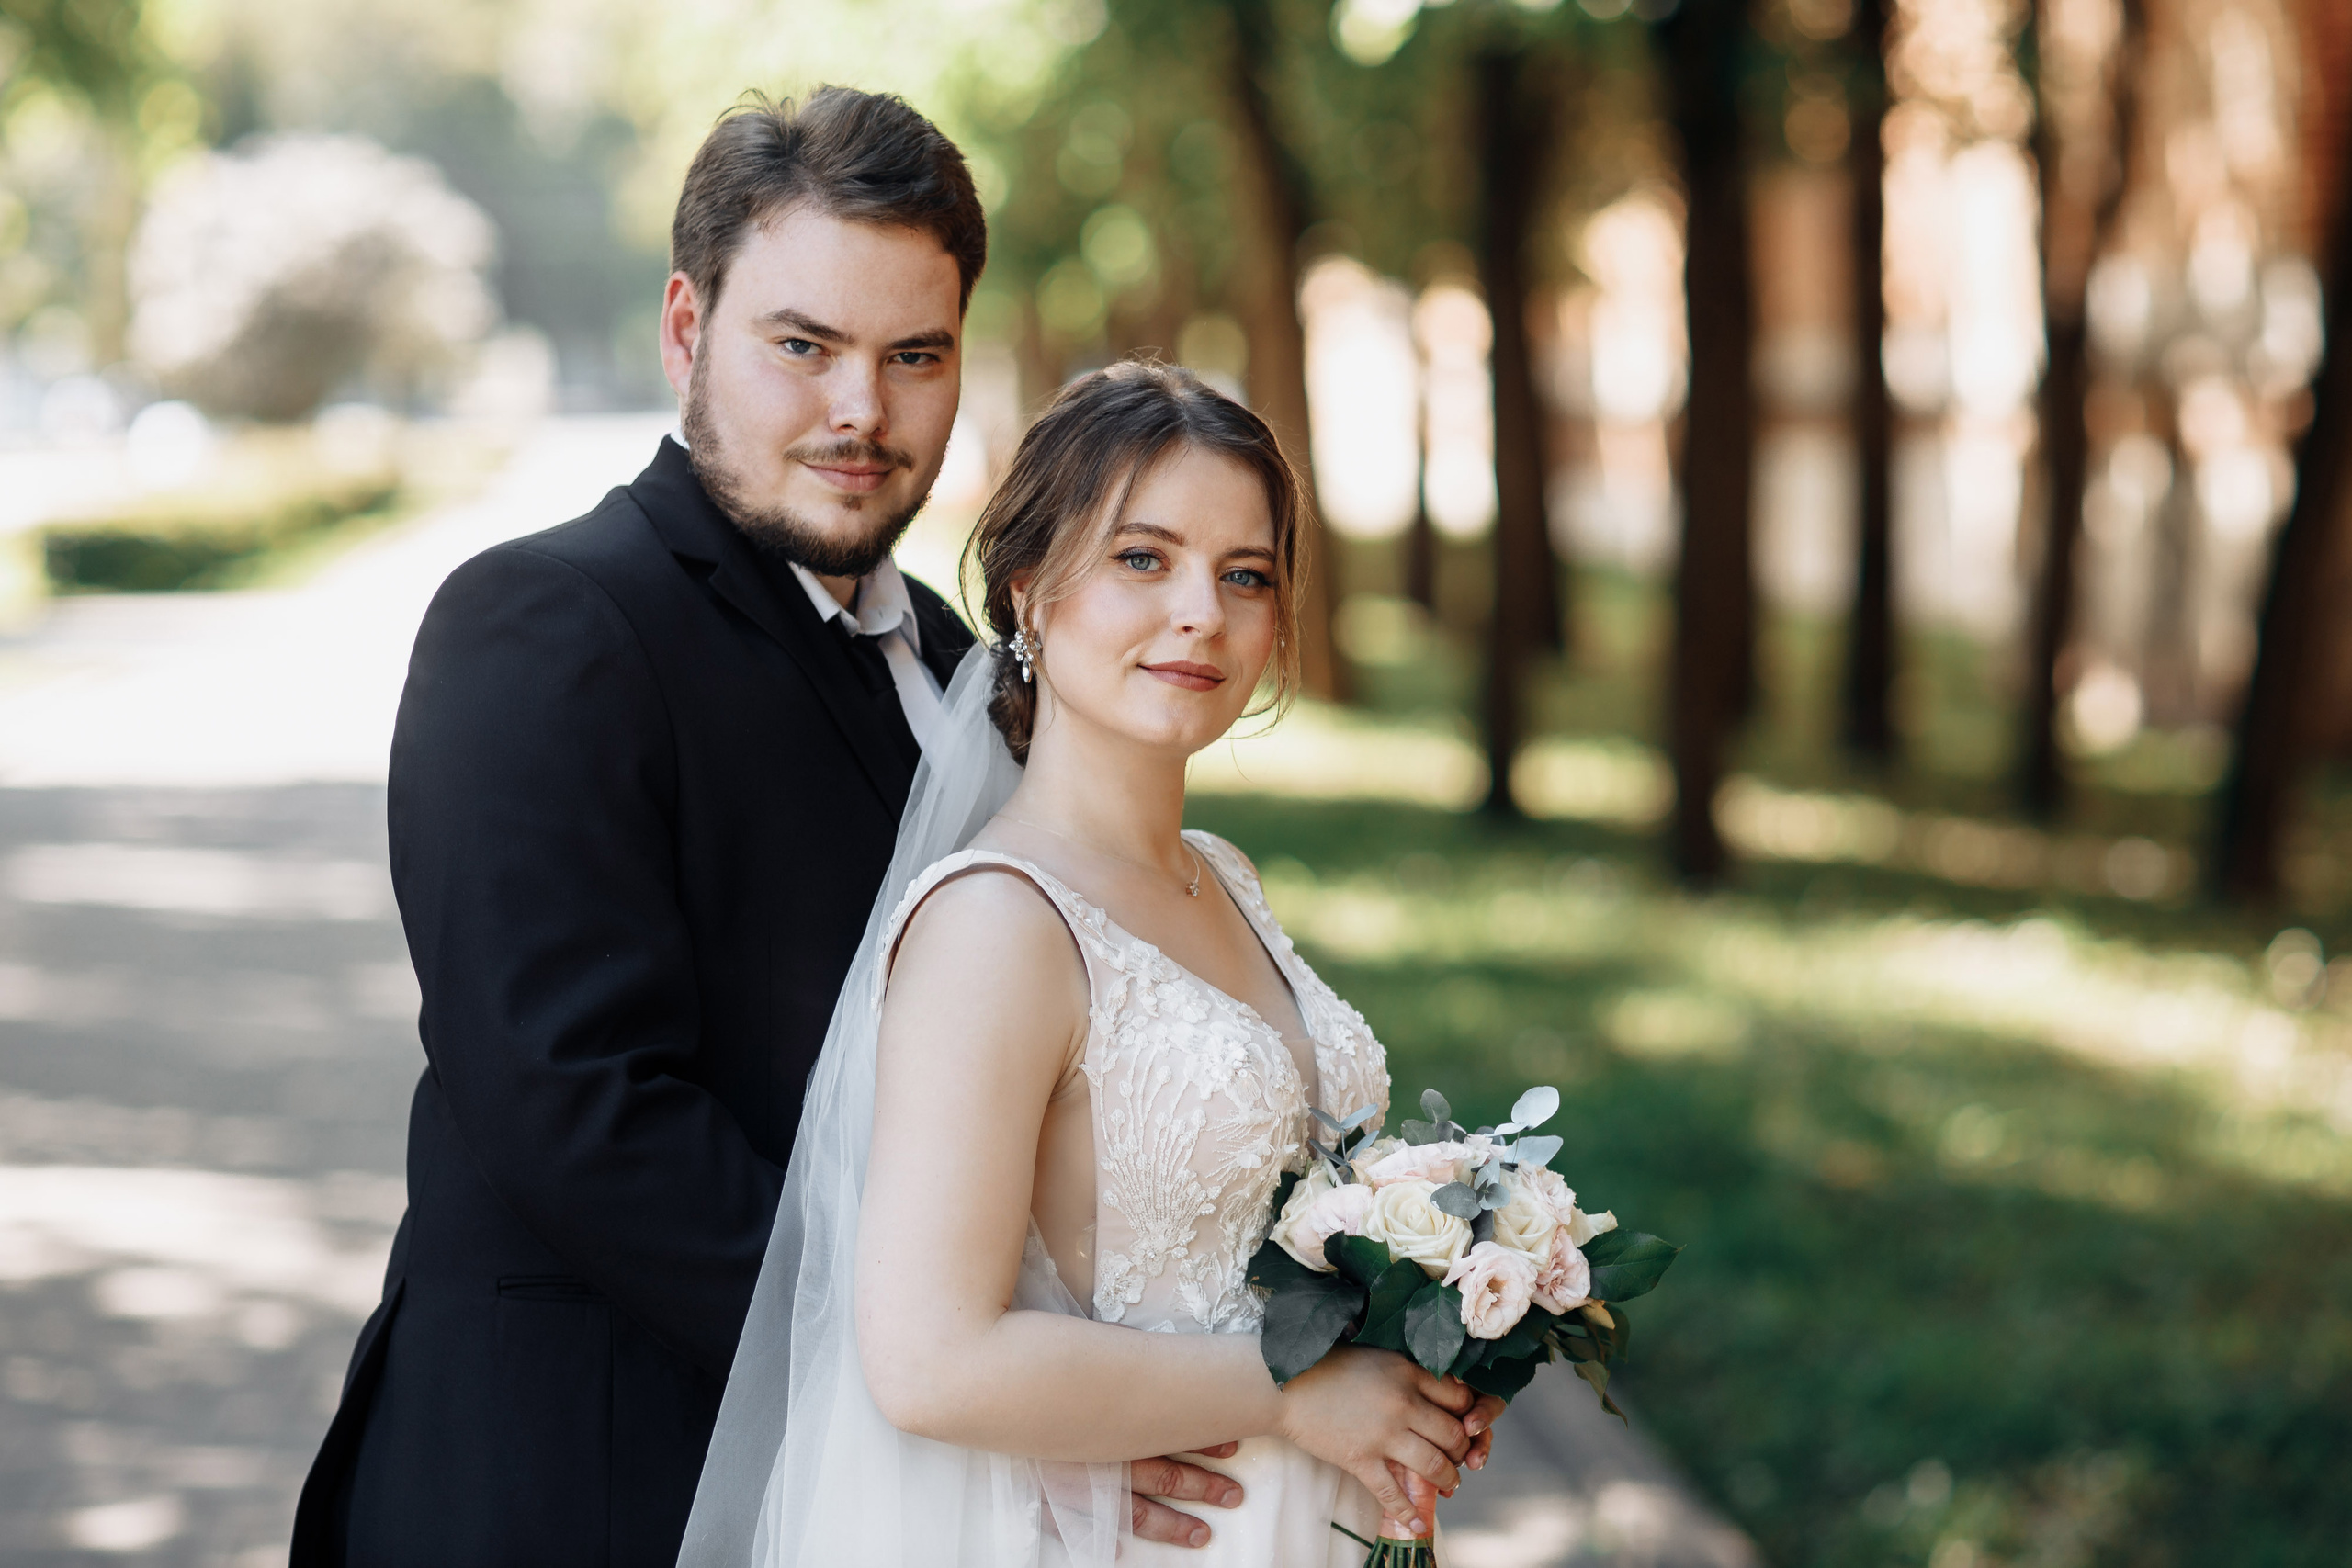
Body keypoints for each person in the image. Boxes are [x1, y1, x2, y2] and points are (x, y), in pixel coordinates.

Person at [291, 88, 1267, 1566]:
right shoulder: (548, 624)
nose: (859, 411)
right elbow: (582, 1109)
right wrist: (972, 1406)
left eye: (913, 356)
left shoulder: (959, 664)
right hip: (579, 1483)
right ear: (689, 330)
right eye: (801, 346)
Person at [681, 359, 1505, 1567]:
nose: (1200, 615)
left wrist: (1434, 1339)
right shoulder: (997, 926)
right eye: (1142, 558)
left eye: (1245, 576)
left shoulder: (1221, 872)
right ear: (1030, 592)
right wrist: (1295, 1390)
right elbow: (927, 1358)